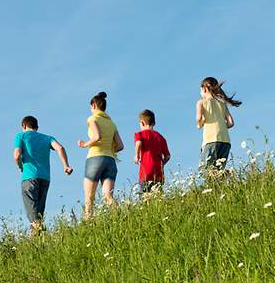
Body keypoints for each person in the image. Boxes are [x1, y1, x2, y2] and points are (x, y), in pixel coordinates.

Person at [13, 116, 73, 236]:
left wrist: (20, 166)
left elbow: (17, 155)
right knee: (38, 214)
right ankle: (36, 242)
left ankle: (42, 235)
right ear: (37, 127)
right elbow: (60, 148)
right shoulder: (47, 138)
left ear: (24, 126)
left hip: (29, 177)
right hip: (45, 178)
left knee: (33, 214)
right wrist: (66, 165)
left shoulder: (21, 136)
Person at [78, 92, 124, 220]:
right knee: (108, 196)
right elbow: (120, 146)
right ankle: (121, 217)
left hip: (95, 159)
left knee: (89, 199)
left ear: (93, 105)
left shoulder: (92, 118)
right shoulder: (112, 123)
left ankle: (88, 226)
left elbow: (97, 136)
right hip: (110, 160)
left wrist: (84, 144)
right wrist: (109, 149)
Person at [196, 77, 241, 172]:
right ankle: (224, 174)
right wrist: (222, 127)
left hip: (211, 140)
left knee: (204, 170)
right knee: (218, 169)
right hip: (225, 141)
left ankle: (226, 174)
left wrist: (200, 124)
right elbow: (231, 123)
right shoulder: (222, 103)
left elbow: (199, 118)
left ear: (204, 89)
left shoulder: (201, 102)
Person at [133, 109, 170, 193]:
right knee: (158, 197)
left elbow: (138, 143)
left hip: (146, 171)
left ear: (142, 123)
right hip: (158, 173)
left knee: (144, 196)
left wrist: (137, 155)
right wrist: (162, 164)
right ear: (153, 123)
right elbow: (167, 156)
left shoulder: (139, 134)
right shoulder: (161, 137)